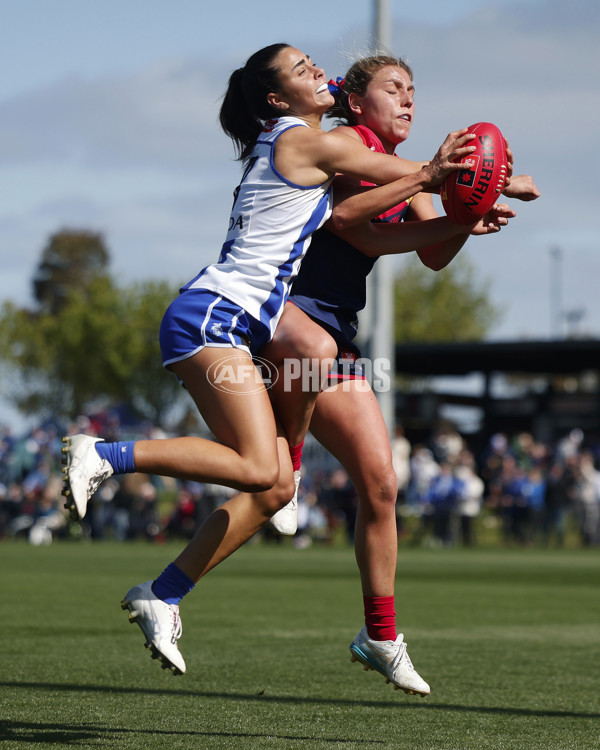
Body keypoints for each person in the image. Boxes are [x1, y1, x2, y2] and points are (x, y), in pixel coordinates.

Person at [61, 44, 477, 678]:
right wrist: (460, 176)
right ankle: (107, 454)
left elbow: (404, 206)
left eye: (316, 65)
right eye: (302, 69)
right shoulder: (310, 140)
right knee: (284, 422)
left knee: (271, 479)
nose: (318, 71)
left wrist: (465, 203)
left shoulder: (303, 135)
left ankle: (164, 593)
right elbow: (388, 193)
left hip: (225, 321)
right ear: (279, 100)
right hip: (218, 318)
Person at [256, 53, 539, 694]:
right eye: (394, 88)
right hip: (286, 322)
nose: (409, 100)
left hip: (333, 335)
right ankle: (288, 464)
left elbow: (434, 254)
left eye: (413, 90)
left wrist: (470, 207)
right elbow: (348, 222)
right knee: (267, 481)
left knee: (382, 485)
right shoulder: (344, 145)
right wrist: (447, 187)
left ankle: (379, 637)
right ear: (357, 102)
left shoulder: (402, 169)